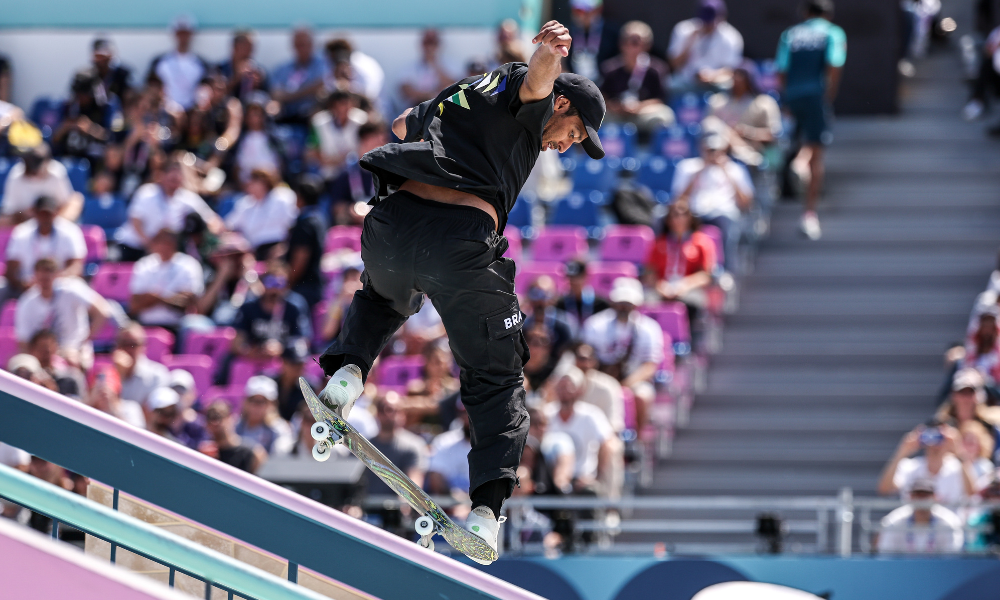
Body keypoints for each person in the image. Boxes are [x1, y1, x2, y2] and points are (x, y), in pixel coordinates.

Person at [317, 20, 605, 562]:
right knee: (497, 378)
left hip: (390, 226)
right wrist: (548, 53)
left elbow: (404, 124)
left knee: (381, 298)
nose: (566, 147)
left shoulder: (465, 90)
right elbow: (540, 80)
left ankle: (345, 375)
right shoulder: (534, 93)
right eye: (575, 134)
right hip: (461, 244)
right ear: (563, 106)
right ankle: (487, 512)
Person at [775, 0, 847, 240]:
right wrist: (828, 94)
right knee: (817, 154)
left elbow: (781, 69)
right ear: (828, 15)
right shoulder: (833, 32)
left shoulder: (790, 34)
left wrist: (788, 98)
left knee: (804, 138)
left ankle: (798, 163)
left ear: (806, 13)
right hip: (815, 95)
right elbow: (835, 64)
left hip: (794, 96)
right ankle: (809, 213)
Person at [582, 277, 664, 434]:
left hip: (633, 378)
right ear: (613, 301)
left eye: (628, 303)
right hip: (599, 375)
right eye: (620, 302)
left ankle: (638, 439)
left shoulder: (649, 328)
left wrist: (625, 384)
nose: (624, 307)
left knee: (643, 395)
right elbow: (587, 356)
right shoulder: (595, 324)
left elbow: (650, 365)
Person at [671, 133, 753, 272]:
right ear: (702, 149)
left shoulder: (735, 169)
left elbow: (746, 202)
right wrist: (701, 170)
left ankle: (727, 270)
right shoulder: (688, 167)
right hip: (693, 213)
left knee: (726, 222)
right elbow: (678, 199)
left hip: (722, 213)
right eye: (709, 150)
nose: (713, 153)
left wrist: (726, 171)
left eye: (716, 150)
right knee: (668, 218)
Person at [116, 159, 223, 260]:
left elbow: (212, 220)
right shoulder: (147, 192)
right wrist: (151, 245)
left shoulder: (188, 198)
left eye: (177, 179)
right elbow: (135, 222)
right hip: (135, 246)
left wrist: (213, 237)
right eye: (171, 178)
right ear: (161, 176)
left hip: (166, 252)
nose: (174, 182)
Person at [15, 258, 111, 370]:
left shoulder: (72, 289)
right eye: (41, 278)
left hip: (73, 349)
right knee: (21, 366)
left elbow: (102, 312)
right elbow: (24, 342)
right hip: (41, 355)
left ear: (56, 275)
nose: (44, 282)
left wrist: (84, 341)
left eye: (47, 277)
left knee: (72, 362)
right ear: (35, 277)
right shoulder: (26, 302)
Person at [646, 200, 717, 334]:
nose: (678, 218)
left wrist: (683, 286)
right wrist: (661, 287)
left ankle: (688, 343)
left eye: (682, 214)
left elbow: (706, 275)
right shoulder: (658, 243)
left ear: (690, 218)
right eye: (674, 214)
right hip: (662, 289)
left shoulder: (701, 242)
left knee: (693, 304)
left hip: (689, 289)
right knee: (647, 303)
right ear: (668, 220)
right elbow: (649, 272)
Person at [544, 367, 617, 496]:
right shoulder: (546, 414)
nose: (564, 391)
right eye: (561, 387)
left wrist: (596, 478)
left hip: (583, 481)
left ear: (579, 390)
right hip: (549, 480)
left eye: (569, 387)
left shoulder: (591, 415)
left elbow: (608, 443)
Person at [366, 392, 429, 534]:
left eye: (393, 409)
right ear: (377, 414)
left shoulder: (413, 445)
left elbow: (414, 484)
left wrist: (403, 504)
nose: (388, 414)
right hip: (367, 511)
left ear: (403, 414)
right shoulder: (364, 446)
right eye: (383, 409)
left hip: (399, 513)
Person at [599, 21, 674, 135]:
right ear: (621, 44)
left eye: (640, 43)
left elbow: (660, 99)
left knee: (664, 116)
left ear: (648, 46)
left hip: (642, 114)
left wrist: (639, 107)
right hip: (618, 116)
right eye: (631, 42)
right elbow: (602, 97)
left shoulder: (657, 68)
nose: (635, 47)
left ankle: (653, 150)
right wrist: (616, 107)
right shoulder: (610, 67)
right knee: (596, 114)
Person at [4, 195, 87, 298]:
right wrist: (23, 284)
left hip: (61, 287)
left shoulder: (70, 231)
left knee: (78, 287)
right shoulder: (21, 232)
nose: (45, 218)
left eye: (48, 214)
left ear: (56, 212)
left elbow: (76, 267)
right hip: (26, 289)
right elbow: (11, 271)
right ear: (34, 212)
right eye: (41, 214)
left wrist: (55, 280)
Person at [878, 423, 978, 506]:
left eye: (940, 436)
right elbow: (885, 489)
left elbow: (972, 492)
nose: (934, 443)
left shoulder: (958, 467)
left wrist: (958, 450)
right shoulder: (909, 466)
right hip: (914, 527)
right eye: (930, 435)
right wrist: (903, 451)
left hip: (948, 528)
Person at [705, 62, 783, 167]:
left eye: (741, 74)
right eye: (735, 74)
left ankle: (743, 153)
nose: (737, 79)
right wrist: (730, 133)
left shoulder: (764, 103)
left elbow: (773, 134)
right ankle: (743, 153)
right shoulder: (718, 101)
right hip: (721, 153)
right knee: (717, 126)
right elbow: (708, 127)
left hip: (754, 150)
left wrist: (746, 132)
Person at [231, 265, 312, 361]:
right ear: (263, 284)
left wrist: (282, 349)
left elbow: (303, 342)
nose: (274, 289)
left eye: (280, 284)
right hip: (254, 359)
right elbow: (237, 343)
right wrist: (250, 351)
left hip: (284, 361)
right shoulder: (249, 307)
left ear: (287, 285)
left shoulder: (295, 306)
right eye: (270, 282)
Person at [129, 229, 205, 331]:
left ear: (175, 243)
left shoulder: (189, 264)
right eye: (159, 241)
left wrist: (154, 297)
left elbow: (189, 302)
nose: (163, 245)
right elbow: (134, 305)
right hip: (147, 325)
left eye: (167, 241)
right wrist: (170, 298)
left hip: (178, 325)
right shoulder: (144, 264)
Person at [668, 0, 744, 93]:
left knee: (727, 87)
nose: (708, 24)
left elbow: (732, 70)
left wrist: (712, 76)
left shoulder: (731, 37)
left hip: (715, 84)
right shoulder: (684, 30)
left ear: (722, 17)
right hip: (686, 81)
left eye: (711, 21)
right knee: (670, 85)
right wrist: (689, 43)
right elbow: (673, 64)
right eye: (705, 20)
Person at [1, 143, 83, 226]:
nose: (35, 171)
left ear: (48, 163)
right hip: (23, 223)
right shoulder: (16, 175)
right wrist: (26, 214)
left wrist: (48, 216)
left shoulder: (57, 172)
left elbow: (67, 202)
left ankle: (58, 233)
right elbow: (8, 210)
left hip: (54, 220)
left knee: (76, 200)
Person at [224, 168, 298, 261]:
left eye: (255, 181)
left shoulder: (282, 198)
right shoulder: (245, 203)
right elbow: (229, 225)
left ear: (265, 182)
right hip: (253, 252)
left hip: (281, 248)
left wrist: (284, 246)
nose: (250, 184)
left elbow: (294, 224)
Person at [877, 479, 964, 554]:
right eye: (918, 495)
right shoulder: (894, 521)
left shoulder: (949, 523)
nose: (921, 500)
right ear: (910, 497)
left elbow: (951, 559)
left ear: (935, 497)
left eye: (925, 495)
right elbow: (886, 555)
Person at [147, 15, 207, 110]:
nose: (183, 37)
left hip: (194, 113)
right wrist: (167, 105)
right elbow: (151, 87)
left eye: (186, 33)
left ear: (192, 34)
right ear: (174, 34)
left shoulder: (202, 64)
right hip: (165, 111)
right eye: (180, 33)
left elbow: (205, 88)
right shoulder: (159, 62)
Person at [306, 88, 367, 181]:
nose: (342, 109)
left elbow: (368, 147)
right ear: (331, 106)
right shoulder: (318, 123)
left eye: (346, 105)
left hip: (356, 174)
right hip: (328, 174)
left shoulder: (362, 121)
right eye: (339, 105)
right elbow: (311, 151)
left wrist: (344, 160)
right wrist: (325, 161)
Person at [285, 174, 326, 309]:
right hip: (313, 285)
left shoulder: (306, 223)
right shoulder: (319, 218)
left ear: (299, 197)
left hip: (303, 288)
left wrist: (287, 284)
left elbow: (301, 256)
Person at [271, 28, 327, 126]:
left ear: (311, 45)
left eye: (303, 44)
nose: (300, 48)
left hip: (310, 115)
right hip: (286, 114)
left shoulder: (322, 65)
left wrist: (289, 96)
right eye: (297, 45)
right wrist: (305, 92)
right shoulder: (283, 68)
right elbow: (276, 94)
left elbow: (320, 87)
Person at [114, 322, 171, 406]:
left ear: (143, 346)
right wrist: (119, 375)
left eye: (133, 345)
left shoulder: (158, 374)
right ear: (117, 346)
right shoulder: (107, 373)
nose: (129, 349)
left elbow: (151, 414)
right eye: (124, 344)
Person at [202, 400, 267, 474]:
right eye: (211, 418)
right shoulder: (205, 453)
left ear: (231, 418)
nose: (215, 423)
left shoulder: (254, 452)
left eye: (219, 416)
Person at [236, 375, 294, 456]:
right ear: (245, 401)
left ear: (272, 404)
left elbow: (280, 459)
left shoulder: (280, 430)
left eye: (262, 401)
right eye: (253, 400)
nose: (256, 406)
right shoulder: (234, 425)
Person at [398, 30, 458, 107]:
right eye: (426, 43)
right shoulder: (410, 67)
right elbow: (406, 90)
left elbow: (453, 87)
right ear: (421, 45)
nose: (429, 47)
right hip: (417, 108)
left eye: (433, 43)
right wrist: (432, 95)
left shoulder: (451, 64)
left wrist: (434, 64)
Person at [565, 0, 619, 82]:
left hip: (606, 87)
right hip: (574, 86)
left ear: (599, 9)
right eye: (578, 11)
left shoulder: (612, 33)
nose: (582, 15)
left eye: (587, 11)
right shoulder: (567, 32)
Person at [524, 276, 574, 360]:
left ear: (554, 298)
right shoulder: (523, 325)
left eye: (546, 295)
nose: (540, 300)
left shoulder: (565, 325)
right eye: (536, 293)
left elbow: (568, 354)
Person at [26, 329, 87, 399]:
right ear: (31, 350)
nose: (46, 353)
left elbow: (80, 405)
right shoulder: (25, 378)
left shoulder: (71, 379)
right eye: (41, 348)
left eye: (48, 348)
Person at [557, 260, 610, 335]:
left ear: (586, 276)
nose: (573, 281)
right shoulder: (559, 304)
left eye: (577, 277)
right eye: (570, 277)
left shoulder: (601, 304)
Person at [217, 29, 269, 102]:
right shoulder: (220, 68)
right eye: (246, 47)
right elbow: (217, 94)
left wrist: (256, 85)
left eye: (251, 48)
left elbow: (267, 95)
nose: (249, 52)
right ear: (235, 47)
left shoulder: (259, 71)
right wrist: (237, 78)